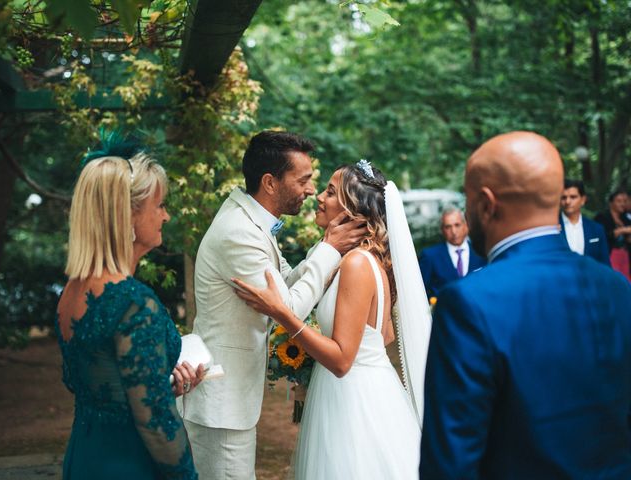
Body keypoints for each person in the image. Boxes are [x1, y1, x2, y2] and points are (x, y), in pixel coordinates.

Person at [420, 131, 631, 479]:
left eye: (468, 201)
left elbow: (450, 464)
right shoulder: (618, 289)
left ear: (486, 204)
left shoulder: (468, 303)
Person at [182, 131, 366, 480]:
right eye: (304, 180)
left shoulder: (253, 223)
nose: (311, 190)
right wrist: (330, 248)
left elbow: (286, 284)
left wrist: (327, 246)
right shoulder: (240, 232)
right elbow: (289, 309)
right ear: (270, 182)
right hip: (222, 404)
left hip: (230, 399)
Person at [233, 161, 432, 479]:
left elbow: (341, 361)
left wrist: (281, 313)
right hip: (366, 389)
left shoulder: (355, 263)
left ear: (352, 208)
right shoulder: (366, 260)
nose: (318, 197)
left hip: (353, 403)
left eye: (329, 192)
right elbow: (384, 336)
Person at [55, 143, 204, 479]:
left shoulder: (72, 291)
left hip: (85, 455)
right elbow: (155, 424)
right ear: (129, 214)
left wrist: (160, 381)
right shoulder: (134, 302)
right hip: (130, 462)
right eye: (160, 205)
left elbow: (91, 381)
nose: (166, 215)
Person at [419, 208, 486, 298]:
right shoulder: (430, 256)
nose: (453, 232)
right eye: (448, 227)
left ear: (466, 226)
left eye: (457, 225)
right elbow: (421, 291)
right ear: (442, 230)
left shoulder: (481, 251)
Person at [559, 178, 610, 265]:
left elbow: (604, 264)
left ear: (583, 200)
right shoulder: (551, 227)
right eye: (564, 197)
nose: (567, 201)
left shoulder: (596, 229)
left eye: (573, 197)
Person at [595, 190, 631, 281]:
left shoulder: (625, 218)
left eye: (624, 201)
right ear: (611, 203)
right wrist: (622, 230)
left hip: (625, 255)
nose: (622, 204)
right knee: (613, 280)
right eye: (619, 201)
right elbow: (600, 237)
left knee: (626, 282)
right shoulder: (602, 217)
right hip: (610, 254)